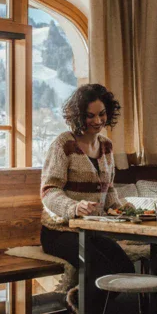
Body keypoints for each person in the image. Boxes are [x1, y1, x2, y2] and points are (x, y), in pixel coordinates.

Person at [40, 83, 135, 286]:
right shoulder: (63, 144)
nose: (97, 121)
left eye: (101, 114)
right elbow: (49, 191)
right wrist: (73, 207)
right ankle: (78, 311)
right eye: (90, 116)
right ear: (78, 116)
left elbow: (108, 190)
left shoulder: (106, 146)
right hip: (59, 232)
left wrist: (125, 210)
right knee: (101, 268)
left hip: (91, 231)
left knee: (126, 269)